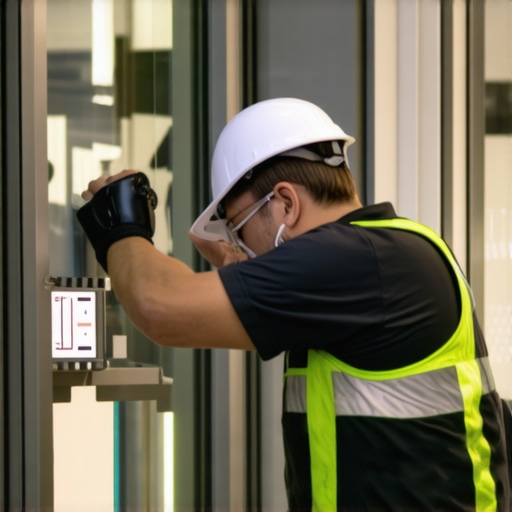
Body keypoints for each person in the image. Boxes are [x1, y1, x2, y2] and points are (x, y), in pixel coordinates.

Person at [78, 97, 511, 511]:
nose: (241, 248)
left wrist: (121, 228)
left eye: (238, 229)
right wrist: (241, 265)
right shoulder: (389, 253)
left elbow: (160, 307)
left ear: (285, 203)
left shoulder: (352, 260)